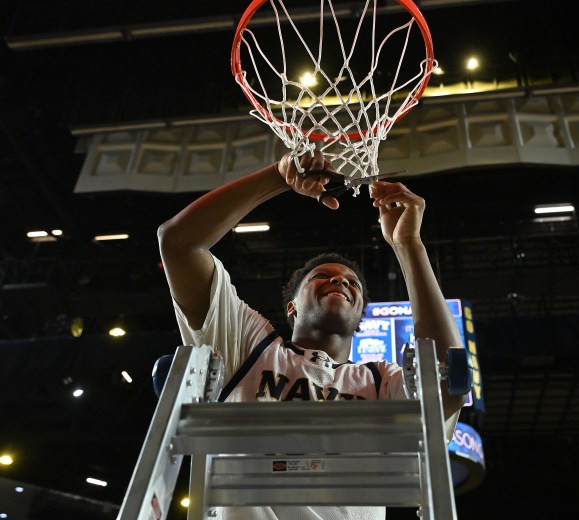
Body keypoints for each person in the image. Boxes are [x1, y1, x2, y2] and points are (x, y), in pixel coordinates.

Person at [157, 150, 466, 520]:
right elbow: (178, 242)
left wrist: (408, 245)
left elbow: (448, 379)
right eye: (322, 276)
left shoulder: (378, 380)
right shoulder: (248, 344)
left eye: (352, 283)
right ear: (292, 307)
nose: (340, 280)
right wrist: (278, 175)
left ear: (360, 317)